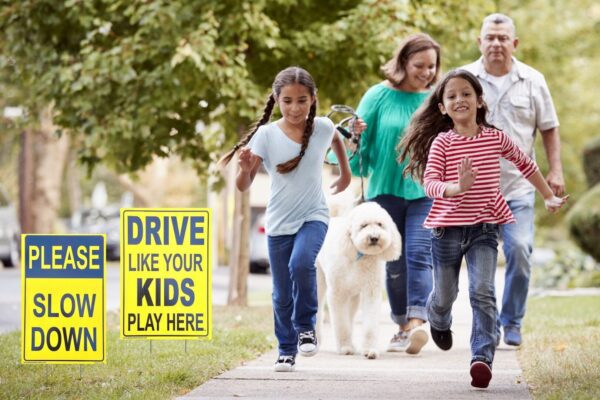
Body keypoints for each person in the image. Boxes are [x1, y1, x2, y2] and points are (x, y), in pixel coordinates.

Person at [399, 69, 567, 388]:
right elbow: (431, 182)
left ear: (479, 100)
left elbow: (525, 163)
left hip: (484, 229)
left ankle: (481, 357)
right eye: (451, 96)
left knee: (482, 291)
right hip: (446, 230)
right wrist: (456, 187)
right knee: (445, 294)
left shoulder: (495, 137)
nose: (459, 99)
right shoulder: (442, 142)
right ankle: (438, 318)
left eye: (466, 94)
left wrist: (547, 196)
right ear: (442, 108)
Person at [218, 66, 365, 373]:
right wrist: (245, 169)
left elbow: (339, 141)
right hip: (278, 223)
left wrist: (346, 172)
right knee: (281, 293)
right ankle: (286, 349)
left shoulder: (323, 127)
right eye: (287, 101)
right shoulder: (266, 135)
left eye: (302, 100)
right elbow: (243, 186)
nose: (295, 108)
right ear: (276, 99)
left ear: (313, 99)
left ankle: (307, 327)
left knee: (302, 264)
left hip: (314, 215)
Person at [461, 13, 565, 347]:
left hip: (520, 186)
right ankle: (486, 327)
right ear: (479, 42)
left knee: (520, 250)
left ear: (514, 43)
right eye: (489, 37)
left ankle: (512, 320)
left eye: (502, 38)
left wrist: (555, 170)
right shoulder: (464, 80)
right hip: (477, 190)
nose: (495, 43)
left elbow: (549, 126)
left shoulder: (533, 80)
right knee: (480, 265)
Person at [352, 33, 440, 355]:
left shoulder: (435, 100)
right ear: (403, 62)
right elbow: (356, 145)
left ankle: (417, 322)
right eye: (420, 65)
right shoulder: (377, 96)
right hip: (385, 191)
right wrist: (354, 137)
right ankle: (401, 324)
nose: (427, 72)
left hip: (424, 191)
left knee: (419, 253)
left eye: (432, 66)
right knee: (395, 261)